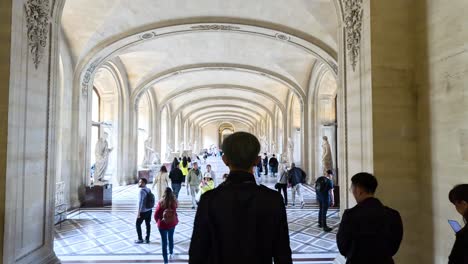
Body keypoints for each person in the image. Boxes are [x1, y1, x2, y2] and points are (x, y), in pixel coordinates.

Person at [189, 132, 292, 264]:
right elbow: (282, 254)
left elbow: (197, 254)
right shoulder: (273, 200)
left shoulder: (209, 200)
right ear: (258, 160)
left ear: (224, 160)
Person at [337, 172, 403, 264]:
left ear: (359, 190)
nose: (352, 192)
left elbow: (342, 247)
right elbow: (394, 246)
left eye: (352, 188)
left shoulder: (350, 215)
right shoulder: (393, 214)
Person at [154, 187, 179, 264]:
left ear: (164, 193)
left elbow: (156, 215)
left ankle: (165, 261)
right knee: (170, 238)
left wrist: (158, 221)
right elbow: (174, 212)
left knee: (164, 242)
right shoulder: (174, 202)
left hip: (162, 225)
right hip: (172, 223)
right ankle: (171, 252)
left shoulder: (161, 202)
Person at [448, 184, 468, 264]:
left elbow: (454, 260)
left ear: (463, 204)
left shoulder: (464, 235)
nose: (456, 208)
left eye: (456, 204)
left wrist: (461, 234)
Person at [135, 178, 153, 244]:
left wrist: (138, 213)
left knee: (137, 224)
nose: (140, 184)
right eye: (139, 182)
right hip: (149, 210)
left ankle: (140, 239)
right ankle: (147, 238)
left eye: (141, 182)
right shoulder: (148, 189)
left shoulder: (141, 191)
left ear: (145, 183)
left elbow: (140, 202)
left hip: (143, 211)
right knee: (148, 224)